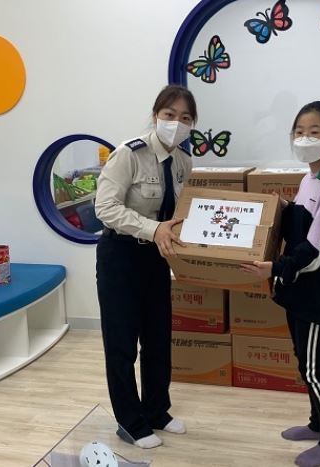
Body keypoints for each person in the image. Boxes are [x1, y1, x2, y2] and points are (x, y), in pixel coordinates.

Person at [242, 101, 320, 467]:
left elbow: (319, 246)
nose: (305, 138)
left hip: (319, 290)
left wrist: (277, 268)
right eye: (299, 132)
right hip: (300, 287)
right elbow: (303, 220)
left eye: (314, 132)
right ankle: (316, 423)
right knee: (304, 361)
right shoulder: (311, 176)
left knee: (314, 369)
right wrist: (280, 207)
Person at [94, 85, 196, 449]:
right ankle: (129, 421)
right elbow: (105, 208)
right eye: (169, 115)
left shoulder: (183, 162)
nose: (176, 123)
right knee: (122, 344)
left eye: (185, 118)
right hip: (120, 256)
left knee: (157, 338)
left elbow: (182, 213)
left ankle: (156, 410)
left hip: (156, 258)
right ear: (156, 116)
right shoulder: (129, 154)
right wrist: (153, 229)